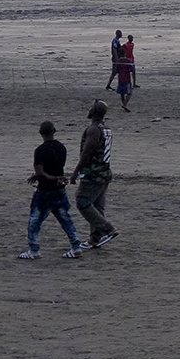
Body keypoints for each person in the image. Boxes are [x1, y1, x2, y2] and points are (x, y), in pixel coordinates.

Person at [22, 120, 85, 259]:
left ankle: (34, 250)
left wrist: (47, 177)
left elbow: (41, 172)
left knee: (35, 220)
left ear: (40, 132)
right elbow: (53, 168)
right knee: (65, 219)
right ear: (54, 131)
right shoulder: (61, 148)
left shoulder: (39, 151)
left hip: (45, 190)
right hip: (59, 190)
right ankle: (76, 247)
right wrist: (56, 178)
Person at [71, 100, 119, 249]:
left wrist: (76, 171)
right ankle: (94, 239)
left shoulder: (93, 130)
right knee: (97, 206)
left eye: (91, 107)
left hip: (93, 172)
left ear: (94, 112)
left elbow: (87, 153)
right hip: (104, 172)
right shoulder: (106, 129)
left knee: (82, 201)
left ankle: (107, 228)